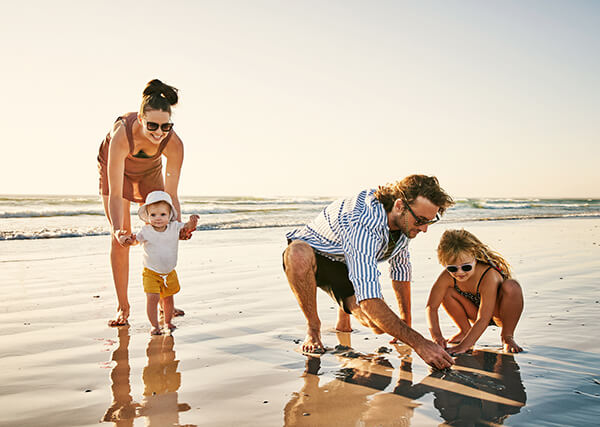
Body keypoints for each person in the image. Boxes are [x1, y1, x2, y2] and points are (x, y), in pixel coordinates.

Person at [283, 174, 456, 369]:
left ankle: (343, 319)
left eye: (429, 222)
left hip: (345, 262)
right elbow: (369, 300)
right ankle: (313, 328)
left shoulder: (405, 222)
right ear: (399, 206)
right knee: (297, 253)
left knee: (376, 326)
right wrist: (419, 343)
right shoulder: (363, 223)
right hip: (314, 252)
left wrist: (405, 323)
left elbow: (400, 269)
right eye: (421, 221)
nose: (424, 229)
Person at [98, 79, 189, 327]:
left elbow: (170, 196)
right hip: (116, 171)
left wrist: (179, 226)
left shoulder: (174, 144)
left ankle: (164, 301)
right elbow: (116, 194)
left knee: (162, 229)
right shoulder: (122, 135)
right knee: (121, 237)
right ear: (140, 118)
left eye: (166, 126)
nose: (159, 133)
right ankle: (122, 307)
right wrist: (118, 229)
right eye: (152, 126)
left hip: (149, 171)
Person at [425, 229, 524, 354]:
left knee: (512, 286)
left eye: (466, 267)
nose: (459, 273)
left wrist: (463, 347)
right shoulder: (447, 276)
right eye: (452, 268)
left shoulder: (489, 275)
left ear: (475, 258)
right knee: (446, 291)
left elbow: (483, 318)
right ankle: (465, 331)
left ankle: (507, 336)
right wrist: (437, 336)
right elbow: (431, 307)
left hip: (498, 313)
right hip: (474, 312)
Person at [122, 191, 198, 335]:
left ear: (169, 215)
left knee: (168, 299)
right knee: (153, 298)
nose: (158, 218)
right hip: (151, 272)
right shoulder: (146, 230)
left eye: (162, 214)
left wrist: (192, 223)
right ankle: (154, 325)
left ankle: (168, 322)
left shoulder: (174, 227)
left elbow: (186, 227)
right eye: (153, 215)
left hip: (169, 272)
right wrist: (127, 241)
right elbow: (135, 241)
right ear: (148, 216)